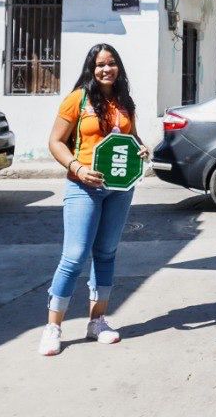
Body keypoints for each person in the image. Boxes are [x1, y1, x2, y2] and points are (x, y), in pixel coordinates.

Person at [40, 43, 150, 357]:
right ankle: (53, 327)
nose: (105, 69)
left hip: (119, 187)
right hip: (83, 187)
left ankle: (97, 321)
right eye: (100, 64)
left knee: (106, 253)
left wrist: (142, 148)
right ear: (91, 68)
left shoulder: (125, 101)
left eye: (111, 63)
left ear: (119, 67)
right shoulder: (78, 99)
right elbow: (55, 142)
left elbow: (132, 138)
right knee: (74, 257)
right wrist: (77, 167)